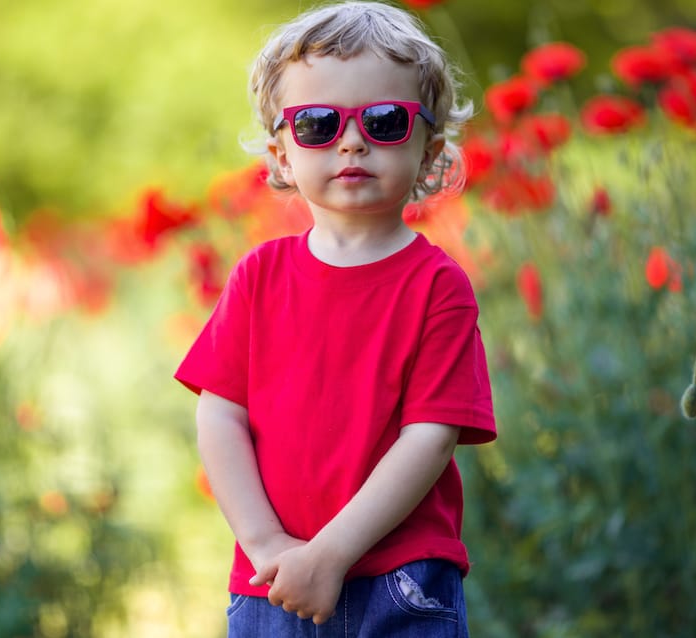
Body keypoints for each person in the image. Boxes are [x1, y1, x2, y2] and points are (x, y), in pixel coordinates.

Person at [175, 2, 496, 635]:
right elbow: (219, 413)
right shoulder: (258, 278)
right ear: (282, 153)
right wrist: (267, 543)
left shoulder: (438, 288)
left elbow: (428, 438)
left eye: (384, 121)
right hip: (272, 583)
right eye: (318, 123)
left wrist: (332, 553)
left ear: (429, 149)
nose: (351, 140)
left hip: (400, 580)